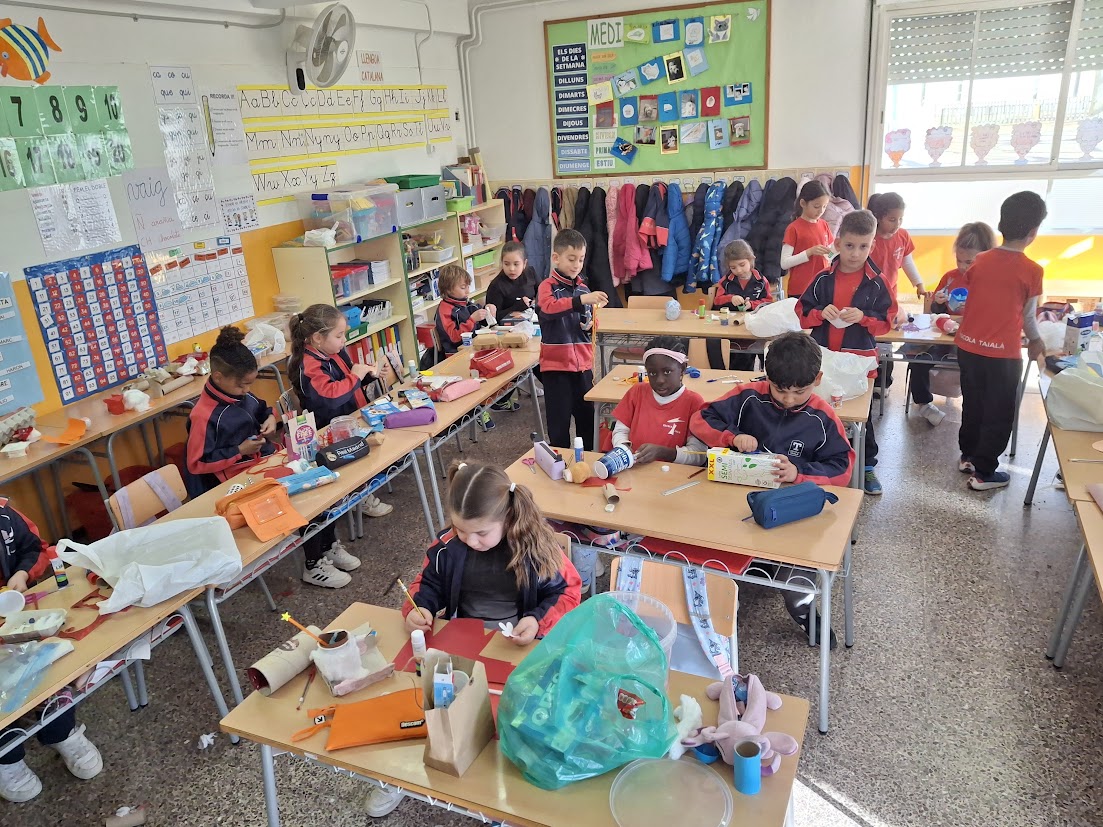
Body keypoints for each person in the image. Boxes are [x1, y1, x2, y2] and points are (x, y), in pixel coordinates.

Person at [377, 461, 582, 819]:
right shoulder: (447, 547)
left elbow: (567, 593)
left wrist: (536, 620)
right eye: (460, 529)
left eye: (481, 533)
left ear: (507, 517)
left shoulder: (536, 547)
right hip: (463, 642)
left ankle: (503, 796)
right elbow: (427, 585)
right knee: (424, 707)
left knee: (509, 725)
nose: (470, 540)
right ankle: (396, 777)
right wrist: (420, 607)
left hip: (515, 648)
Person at [689, 331, 853, 645]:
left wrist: (799, 474)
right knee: (709, 547)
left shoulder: (822, 417)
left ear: (817, 380)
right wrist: (732, 437)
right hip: (738, 501)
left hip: (790, 508)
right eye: (780, 390)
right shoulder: (748, 396)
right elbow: (701, 418)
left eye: (799, 392)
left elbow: (842, 469)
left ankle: (802, 608)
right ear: (767, 377)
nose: (788, 399)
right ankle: (721, 600)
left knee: (796, 573)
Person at [1, 502, 103, 803]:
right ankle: (7, 756)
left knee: (48, 664)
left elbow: (35, 548)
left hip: (18, 616)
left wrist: (22, 573)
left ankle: (61, 731)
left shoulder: (6, 514)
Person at [289, 305, 394, 587]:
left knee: (337, 492)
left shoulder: (332, 352)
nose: (344, 340)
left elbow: (347, 380)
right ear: (317, 338)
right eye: (339, 335)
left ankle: (330, 544)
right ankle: (315, 562)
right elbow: (330, 398)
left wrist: (371, 373)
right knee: (324, 497)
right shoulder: (308, 365)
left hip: (343, 430)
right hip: (322, 441)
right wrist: (356, 376)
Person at [796, 209, 893, 495]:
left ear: (872, 246)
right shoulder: (822, 278)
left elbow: (887, 322)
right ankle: (816, 462)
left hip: (858, 365)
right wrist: (819, 313)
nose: (855, 253)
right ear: (838, 243)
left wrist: (864, 317)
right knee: (820, 413)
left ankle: (867, 466)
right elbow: (801, 313)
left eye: (863, 246)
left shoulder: (877, 282)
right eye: (849, 245)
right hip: (824, 359)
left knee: (861, 418)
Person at [955, 192, 1046, 491]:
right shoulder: (1033, 270)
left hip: (968, 347)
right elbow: (1029, 318)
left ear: (1001, 224)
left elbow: (976, 298)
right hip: (1003, 356)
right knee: (999, 412)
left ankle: (968, 456)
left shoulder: (980, 260)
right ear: (1033, 232)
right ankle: (984, 473)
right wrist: (1036, 341)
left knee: (973, 404)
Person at [907, 222, 996, 426]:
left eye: (969, 262)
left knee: (978, 372)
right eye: (959, 260)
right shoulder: (950, 277)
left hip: (975, 342)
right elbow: (935, 314)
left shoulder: (991, 281)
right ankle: (924, 404)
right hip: (947, 337)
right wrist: (938, 303)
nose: (963, 267)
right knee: (918, 358)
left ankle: (976, 413)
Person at [185, 325, 278, 497]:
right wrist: (239, 451)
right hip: (233, 480)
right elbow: (197, 463)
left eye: (250, 384)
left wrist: (271, 418)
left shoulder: (239, 394)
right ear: (218, 377)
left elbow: (262, 409)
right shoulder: (203, 416)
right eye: (242, 385)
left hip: (261, 462)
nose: (247, 390)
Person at [536, 228, 608, 449]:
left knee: (587, 419)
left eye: (581, 259)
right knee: (559, 424)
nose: (577, 265)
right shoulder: (547, 286)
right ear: (556, 258)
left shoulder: (583, 289)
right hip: (557, 368)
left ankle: (586, 460)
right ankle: (560, 462)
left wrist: (591, 323)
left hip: (583, 367)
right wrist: (581, 301)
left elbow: (590, 323)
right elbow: (548, 309)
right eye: (571, 259)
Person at [609, 337, 707, 467]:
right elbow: (620, 431)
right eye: (652, 373)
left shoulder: (694, 403)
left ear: (682, 369)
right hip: (634, 470)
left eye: (667, 372)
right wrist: (624, 449)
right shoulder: (637, 392)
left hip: (674, 474)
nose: (660, 380)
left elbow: (698, 454)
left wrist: (664, 453)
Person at [867, 192, 926, 393]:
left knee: (886, 339)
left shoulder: (903, 236)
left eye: (900, 219)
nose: (897, 224)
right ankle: (869, 379)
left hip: (889, 300)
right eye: (892, 219)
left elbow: (907, 262)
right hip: (867, 299)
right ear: (879, 217)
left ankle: (884, 383)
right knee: (869, 340)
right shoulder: (869, 237)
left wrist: (918, 284)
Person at [484, 241, 542, 411]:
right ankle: (511, 388)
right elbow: (493, 319)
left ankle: (544, 383)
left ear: (525, 263)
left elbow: (542, 291)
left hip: (532, 325)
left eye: (516, 264)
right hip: (508, 334)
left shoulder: (530, 273)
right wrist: (517, 307)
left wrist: (535, 302)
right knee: (534, 355)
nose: (511, 269)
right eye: (506, 264)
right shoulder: (497, 286)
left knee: (545, 351)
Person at [708, 240, 773, 371]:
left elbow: (768, 302)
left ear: (751, 259)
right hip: (730, 330)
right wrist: (730, 298)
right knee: (734, 363)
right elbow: (717, 301)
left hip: (753, 330)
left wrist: (752, 304)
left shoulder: (761, 281)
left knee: (752, 360)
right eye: (733, 267)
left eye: (742, 265)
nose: (738, 270)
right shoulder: (726, 282)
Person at [781, 179, 834, 299]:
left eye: (824, 207)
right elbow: (784, 263)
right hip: (800, 289)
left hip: (821, 286)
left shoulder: (824, 225)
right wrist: (809, 252)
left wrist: (833, 254)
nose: (821, 211)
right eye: (816, 206)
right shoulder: (793, 228)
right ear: (803, 203)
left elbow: (829, 254)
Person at [434, 263, 496, 357]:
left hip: (473, 346)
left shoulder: (463, 302)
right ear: (448, 289)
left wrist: (487, 311)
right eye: (463, 287)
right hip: (456, 354)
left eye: (468, 287)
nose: (467, 291)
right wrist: (472, 320)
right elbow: (454, 338)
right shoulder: (445, 310)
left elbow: (479, 317)